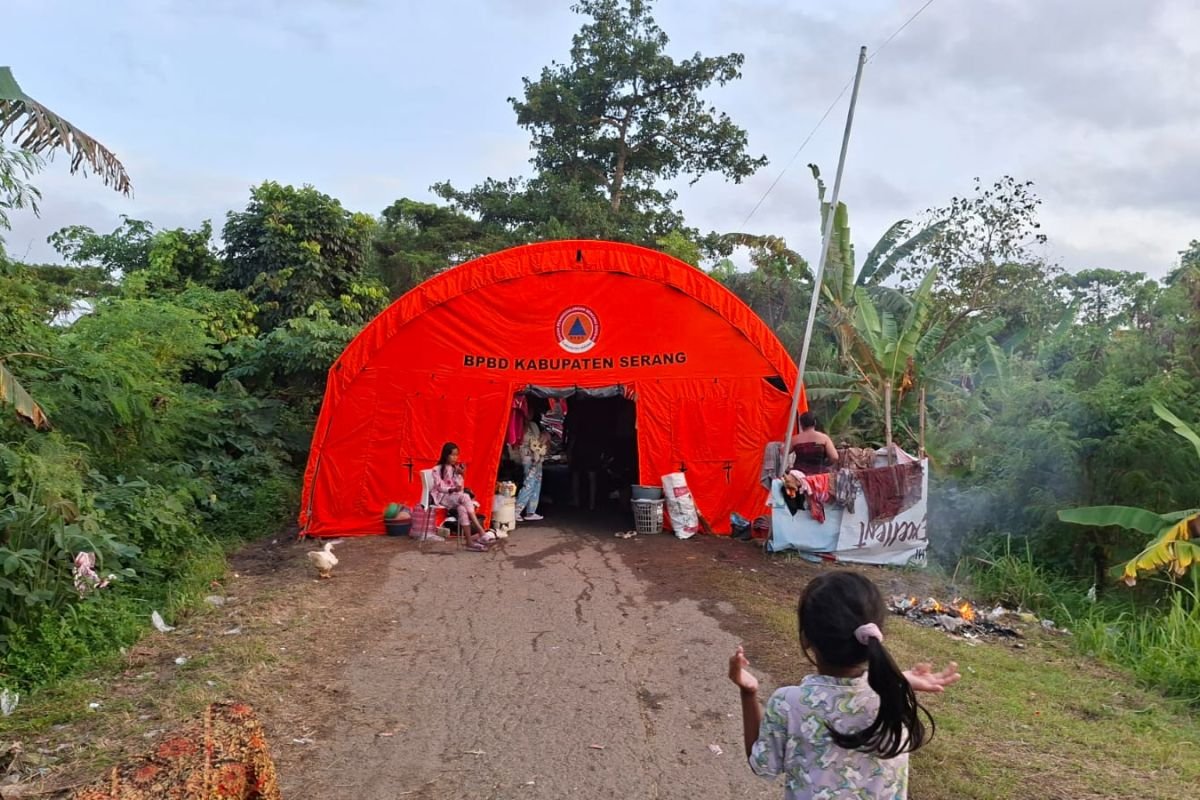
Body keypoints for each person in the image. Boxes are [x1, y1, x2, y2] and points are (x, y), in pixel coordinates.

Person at [727, 571, 961, 800]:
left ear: (806, 638)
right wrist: (899, 681)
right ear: (877, 635)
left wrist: (749, 693)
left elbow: (761, 764)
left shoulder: (789, 703)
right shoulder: (894, 698)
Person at [432, 442, 496, 551]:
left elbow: (460, 488)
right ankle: (481, 531)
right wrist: (452, 489)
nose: (454, 457)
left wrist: (460, 475)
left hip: (455, 497)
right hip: (443, 498)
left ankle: (469, 542)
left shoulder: (455, 468)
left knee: (462, 508)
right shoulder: (437, 469)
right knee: (466, 497)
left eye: (456, 455)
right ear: (445, 455)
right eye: (452, 455)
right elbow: (439, 488)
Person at [515, 421, 550, 522]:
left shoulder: (533, 425)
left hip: (537, 456)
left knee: (536, 483)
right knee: (529, 484)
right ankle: (516, 510)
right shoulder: (521, 425)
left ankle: (531, 511)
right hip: (528, 457)